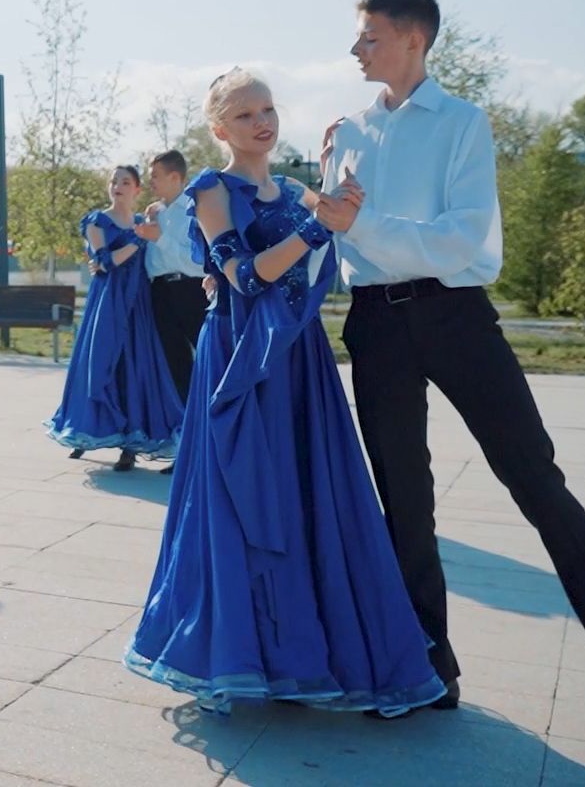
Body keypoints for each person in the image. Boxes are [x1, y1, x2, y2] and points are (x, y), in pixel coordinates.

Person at [318, 0, 585, 744]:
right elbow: (339, 231)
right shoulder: (347, 132)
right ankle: (430, 668)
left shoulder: (463, 123)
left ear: (414, 40)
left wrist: (366, 222)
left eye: (369, 37)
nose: (356, 50)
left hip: (455, 317)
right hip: (375, 325)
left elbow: (461, 237)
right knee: (403, 503)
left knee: (536, 482)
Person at [127, 68, 445, 718]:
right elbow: (243, 277)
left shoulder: (296, 191)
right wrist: (316, 229)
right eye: (244, 115)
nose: (262, 123)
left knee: (307, 497)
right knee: (245, 500)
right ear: (219, 129)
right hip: (240, 359)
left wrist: (336, 203)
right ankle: (245, 655)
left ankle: (304, 655)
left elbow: (321, 255)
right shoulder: (210, 189)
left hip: (298, 358)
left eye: (267, 109)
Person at [45, 165, 182, 471]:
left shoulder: (141, 222)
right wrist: (137, 241)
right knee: (100, 363)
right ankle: (86, 431)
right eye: (113, 181)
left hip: (138, 304)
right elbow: (105, 262)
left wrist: (146, 231)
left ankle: (129, 444)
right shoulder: (97, 221)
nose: (117, 186)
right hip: (108, 303)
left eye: (125, 182)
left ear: (137, 190)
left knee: (135, 368)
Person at [143, 150, 209, 476]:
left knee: (207, 366)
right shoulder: (155, 213)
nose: (151, 183)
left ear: (174, 177)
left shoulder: (195, 210)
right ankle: (186, 449)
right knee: (176, 370)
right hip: (161, 295)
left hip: (190, 291)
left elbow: (197, 261)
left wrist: (161, 238)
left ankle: (211, 446)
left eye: (155, 176)